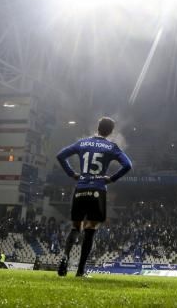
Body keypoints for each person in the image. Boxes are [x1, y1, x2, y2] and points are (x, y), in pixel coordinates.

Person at [55, 116, 133, 278]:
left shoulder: (82, 143)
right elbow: (127, 165)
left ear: (97, 127)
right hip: (97, 189)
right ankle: (80, 271)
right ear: (111, 131)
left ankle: (65, 257)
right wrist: (111, 179)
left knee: (76, 227)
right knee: (90, 230)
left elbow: (60, 156)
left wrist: (72, 174)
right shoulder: (111, 146)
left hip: (81, 187)